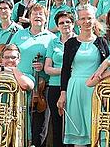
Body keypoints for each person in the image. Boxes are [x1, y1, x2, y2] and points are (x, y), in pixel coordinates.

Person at [57, 4, 110, 146]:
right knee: (78, 133)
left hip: (95, 90)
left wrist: (105, 93)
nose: (87, 21)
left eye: (89, 18)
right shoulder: (70, 43)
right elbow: (65, 70)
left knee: (98, 131)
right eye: (83, 18)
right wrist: (63, 93)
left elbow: (106, 69)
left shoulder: (101, 42)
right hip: (75, 89)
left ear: (94, 20)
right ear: (78, 22)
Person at [13, 4, 56, 147]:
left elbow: (56, 60)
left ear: (46, 18)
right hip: (20, 84)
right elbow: (9, 53)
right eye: (34, 14)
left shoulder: (52, 38)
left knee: (40, 127)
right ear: (29, 18)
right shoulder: (19, 34)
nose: (37, 16)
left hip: (41, 87)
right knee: (19, 122)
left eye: (41, 14)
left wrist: (44, 65)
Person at [45, 11, 76, 147]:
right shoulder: (53, 42)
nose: (65, 25)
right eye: (61, 23)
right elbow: (47, 68)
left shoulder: (79, 41)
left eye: (68, 22)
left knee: (73, 125)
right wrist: (65, 71)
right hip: (55, 87)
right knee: (57, 125)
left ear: (73, 24)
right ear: (57, 26)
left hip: (74, 87)